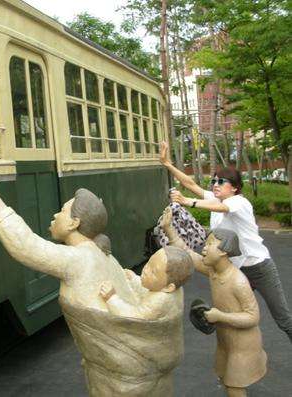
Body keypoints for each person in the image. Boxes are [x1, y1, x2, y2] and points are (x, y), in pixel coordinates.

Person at [0, 165, 186, 396]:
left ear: (74, 223)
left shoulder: (79, 259)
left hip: (124, 377)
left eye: (62, 211)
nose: (55, 214)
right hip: (136, 372)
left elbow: (27, 246)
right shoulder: (101, 254)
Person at [159, 141, 292, 343]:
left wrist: (187, 202)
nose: (215, 184)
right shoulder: (216, 198)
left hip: (259, 267)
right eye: (214, 181)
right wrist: (168, 164)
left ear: (235, 188)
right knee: (228, 310)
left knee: (282, 318)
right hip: (234, 268)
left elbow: (221, 208)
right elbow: (191, 184)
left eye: (221, 182)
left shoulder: (239, 202)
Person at [162, 215, 267, 397]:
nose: (204, 248)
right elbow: (188, 252)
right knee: (226, 379)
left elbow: (253, 316)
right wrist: (169, 229)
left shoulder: (238, 281)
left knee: (235, 386)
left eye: (210, 244)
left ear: (223, 251)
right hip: (226, 340)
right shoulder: (214, 271)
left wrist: (221, 317)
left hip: (243, 345)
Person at [99, 246, 193, 320]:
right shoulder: (170, 287)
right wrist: (135, 279)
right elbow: (150, 289)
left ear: (168, 288)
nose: (145, 270)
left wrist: (112, 298)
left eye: (153, 272)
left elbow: (134, 317)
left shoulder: (159, 301)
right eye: (149, 263)